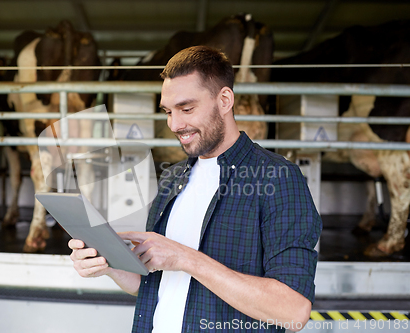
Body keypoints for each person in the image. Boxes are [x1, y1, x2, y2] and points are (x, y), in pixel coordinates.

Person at [69, 45, 322, 333]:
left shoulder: (277, 178)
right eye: (168, 111)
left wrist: (185, 258)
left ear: (225, 100)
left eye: (187, 108)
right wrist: (109, 264)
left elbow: (293, 310)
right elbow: (155, 287)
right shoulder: (173, 178)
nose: (175, 124)